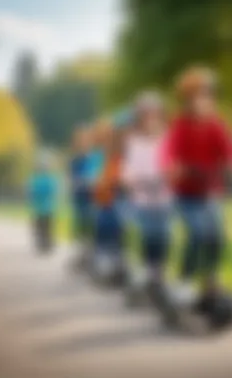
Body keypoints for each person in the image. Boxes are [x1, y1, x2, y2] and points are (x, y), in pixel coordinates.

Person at [164, 66, 232, 315]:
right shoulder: (180, 126)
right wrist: (173, 167)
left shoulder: (216, 125)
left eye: (208, 95)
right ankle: (185, 280)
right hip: (186, 194)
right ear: (187, 99)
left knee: (217, 236)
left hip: (210, 193)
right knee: (197, 234)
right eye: (198, 95)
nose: (204, 100)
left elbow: (231, 152)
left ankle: (210, 279)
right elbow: (169, 153)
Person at [121, 91, 172, 303]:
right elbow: (128, 168)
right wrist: (132, 180)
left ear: (160, 116)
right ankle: (149, 274)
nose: (150, 118)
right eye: (146, 114)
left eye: (154, 114)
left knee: (164, 236)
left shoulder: (167, 139)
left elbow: (172, 163)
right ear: (140, 117)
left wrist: (169, 176)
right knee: (149, 235)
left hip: (164, 195)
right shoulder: (133, 141)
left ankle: (159, 274)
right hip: (142, 196)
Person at [92, 126, 127, 284]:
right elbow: (100, 182)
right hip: (107, 201)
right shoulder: (106, 159)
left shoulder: (124, 160)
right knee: (105, 225)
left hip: (121, 201)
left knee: (117, 229)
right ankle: (107, 261)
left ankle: (117, 263)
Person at [69, 126, 96, 268]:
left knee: (90, 224)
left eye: (86, 140)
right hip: (80, 197)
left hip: (91, 197)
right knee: (80, 224)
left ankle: (90, 254)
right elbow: (73, 178)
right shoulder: (75, 160)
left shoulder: (93, 158)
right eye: (81, 141)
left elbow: (95, 175)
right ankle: (82, 253)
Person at [28, 150, 58, 254]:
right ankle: (46, 243)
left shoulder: (36, 179)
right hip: (46, 207)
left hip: (41, 207)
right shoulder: (48, 178)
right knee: (46, 227)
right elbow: (53, 192)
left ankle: (44, 243)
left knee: (42, 227)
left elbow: (31, 193)